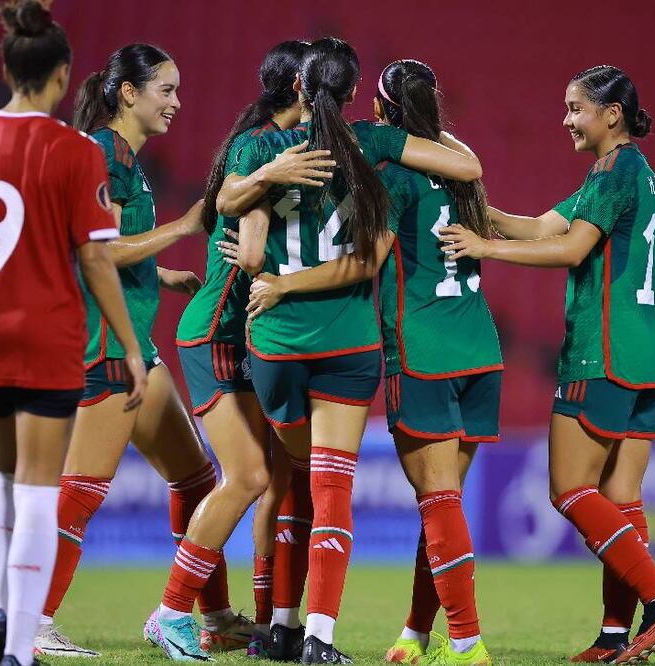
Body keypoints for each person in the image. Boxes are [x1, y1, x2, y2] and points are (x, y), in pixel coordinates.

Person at [219, 37, 483, 663]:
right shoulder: (373, 142)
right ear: (355, 93)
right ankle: (319, 638)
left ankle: (280, 625)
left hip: (276, 343)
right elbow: (464, 173)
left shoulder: (262, 146)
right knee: (332, 489)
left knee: (291, 480)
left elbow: (229, 214)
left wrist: (272, 259)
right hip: (350, 343)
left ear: (298, 91)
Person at [0, 2, 146, 665]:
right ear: (63, 74)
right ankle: (15, 648)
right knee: (40, 489)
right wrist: (129, 345)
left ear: (7, 67)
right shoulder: (75, 152)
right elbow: (96, 257)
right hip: (47, 335)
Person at [441, 64, 655, 664]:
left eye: (576, 108)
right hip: (650, 354)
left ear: (613, 114)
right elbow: (537, 225)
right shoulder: (637, 173)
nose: (566, 120)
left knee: (570, 490)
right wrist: (473, 204)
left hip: (602, 352)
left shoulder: (612, 170)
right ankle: (614, 635)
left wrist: (484, 249)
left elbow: (570, 248)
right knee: (622, 497)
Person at [32, 42, 250, 658]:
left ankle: (212, 616)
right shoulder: (104, 153)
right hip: (105, 345)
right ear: (129, 92)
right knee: (82, 490)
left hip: (136, 344)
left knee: (196, 475)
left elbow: (111, 247)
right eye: (167, 90)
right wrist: (183, 229)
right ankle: (33, 620)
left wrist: (165, 277)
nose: (177, 102)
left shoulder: (122, 156)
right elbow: (91, 252)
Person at [173, 39, 327, 660]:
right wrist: (265, 186)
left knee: (279, 480)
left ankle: (264, 623)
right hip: (216, 334)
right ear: (298, 85)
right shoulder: (259, 145)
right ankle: (171, 610)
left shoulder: (293, 146)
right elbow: (228, 203)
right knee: (251, 475)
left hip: (255, 337)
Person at [348, 59, 500, 666]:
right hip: (479, 350)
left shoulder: (392, 175)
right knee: (444, 504)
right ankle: (417, 631)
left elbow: (367, 263)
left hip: (423, 351)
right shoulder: (463, 179)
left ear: (384, 113)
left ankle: (465, 643)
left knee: (438, 501)